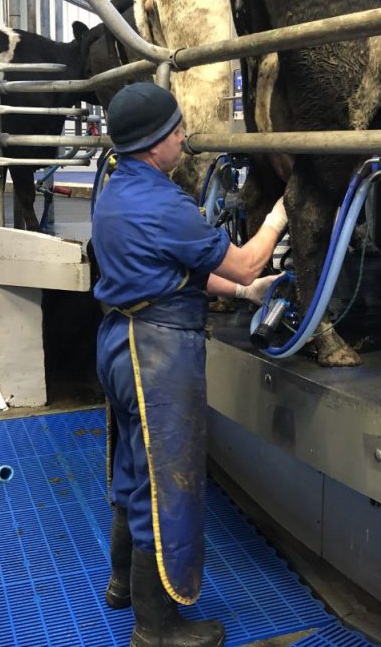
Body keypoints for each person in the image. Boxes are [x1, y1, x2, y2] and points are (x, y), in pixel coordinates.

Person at [91, 82, 287, 647]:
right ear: (155, 144)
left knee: (133, 468)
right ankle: (157, 629)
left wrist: (244, 296)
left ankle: (121, 586)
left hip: (120, 341)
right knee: (169, 484)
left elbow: (172, 264)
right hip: (158, 355)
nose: (183, 136)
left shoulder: (118, 186)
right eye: (176, 129)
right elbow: (248, 263)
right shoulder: (165, 204)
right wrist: (280, 212)